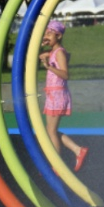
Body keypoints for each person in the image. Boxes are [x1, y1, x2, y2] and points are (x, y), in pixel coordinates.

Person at [39, 20, 88, 172]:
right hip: (53, 93)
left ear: (58, 35)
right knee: (50, 130)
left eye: (49, 33)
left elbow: (65, 74)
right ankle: (77, 150)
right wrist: (45, 51)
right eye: (45, 33)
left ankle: (57, 166)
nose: (46, 36)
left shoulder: (59, 52)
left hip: (57, 93)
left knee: (51, 131)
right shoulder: (55, 52)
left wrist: (48, 67)